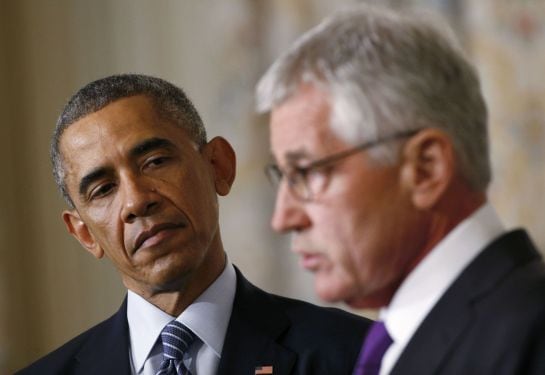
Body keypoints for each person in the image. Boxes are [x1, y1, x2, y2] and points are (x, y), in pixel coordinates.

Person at [256, 4, 545, 375]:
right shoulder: (396, 341)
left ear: (426, 170)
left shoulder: (528, 337)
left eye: (306, 172)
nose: (282, 218)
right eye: (283, 176)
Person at [17, 74, 370, 375]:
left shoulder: (358, 357)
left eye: (155, 162)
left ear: (218, 166)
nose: (137, 201)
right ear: (83, 234)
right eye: (104, 189)